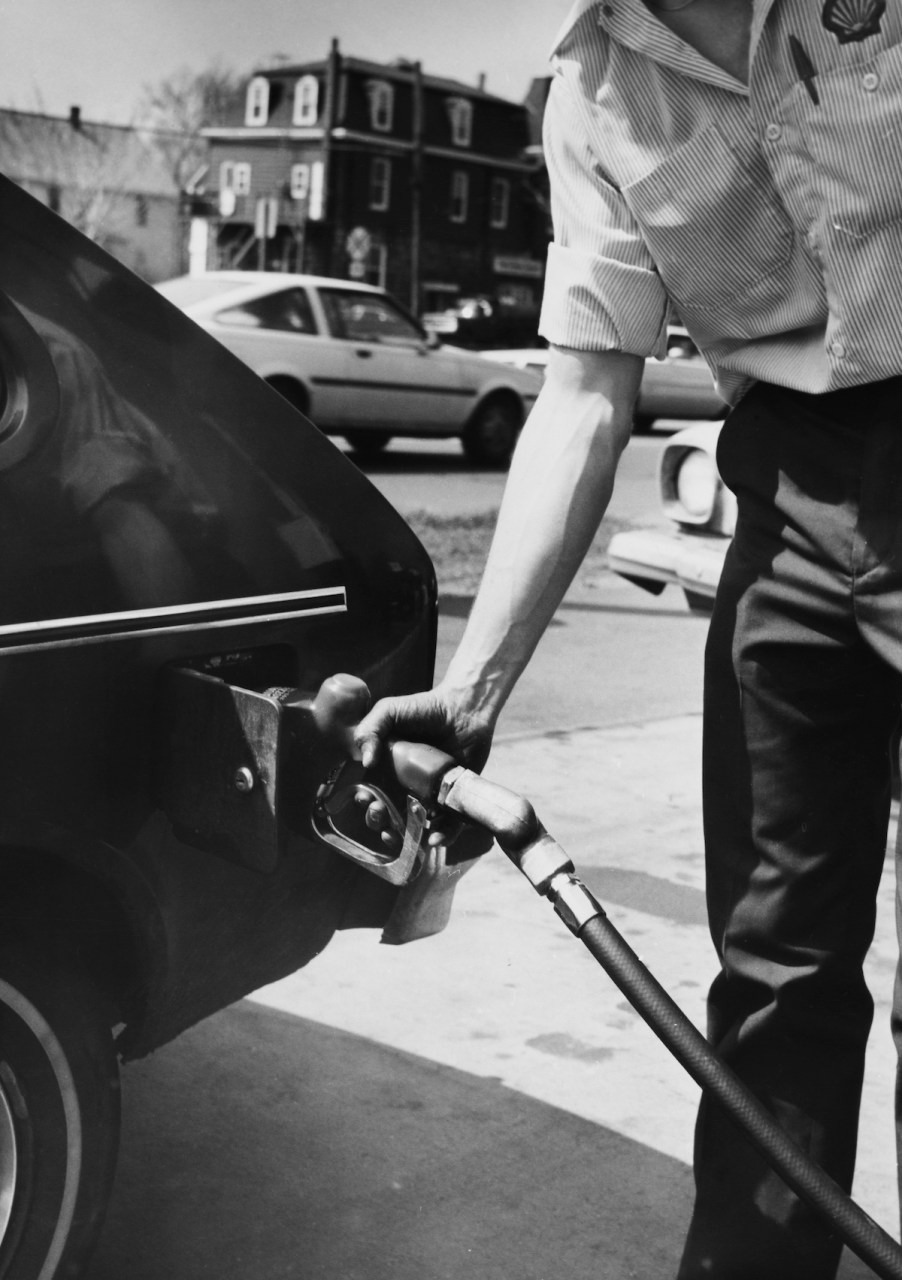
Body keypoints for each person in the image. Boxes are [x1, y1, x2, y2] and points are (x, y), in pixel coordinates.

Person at [356, 1, 902, 1275]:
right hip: (792, 500)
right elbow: (585, 390)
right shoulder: (593, 91)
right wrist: (472, 687)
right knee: (773, 978)